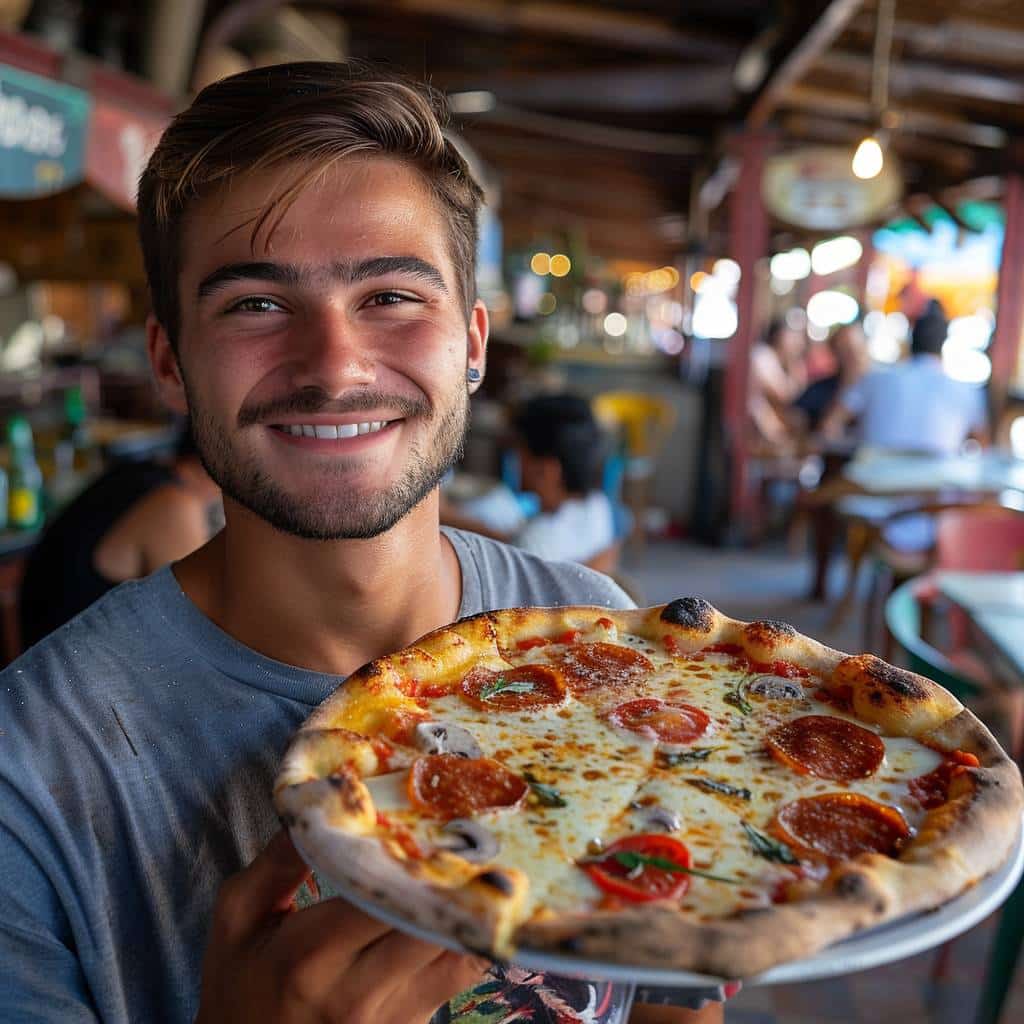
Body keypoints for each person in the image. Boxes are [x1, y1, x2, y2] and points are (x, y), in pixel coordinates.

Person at [0, 61, 726, 1024]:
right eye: (255, 304)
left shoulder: (597, 632)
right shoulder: (28, 775)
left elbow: (673, 993)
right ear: (170, 361)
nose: (335, 367)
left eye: (390, 296)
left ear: (471, 344)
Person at [17, 425, 221, 650]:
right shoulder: (173, 504)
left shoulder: (132, 477)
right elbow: (201, 631)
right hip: (75, 675)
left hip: (49, 663)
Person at [822, 306, 989, 452]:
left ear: (911, 343)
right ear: (944, 347)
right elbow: (983, 445)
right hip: (935, 484)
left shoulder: (875, 378)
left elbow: (829, 427)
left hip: (872, 480)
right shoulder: (966, 391)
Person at [791, 321, 869, 436]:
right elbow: (796, 417)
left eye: (856, 350)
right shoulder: (819, 389)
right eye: (846, 350)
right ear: (835, 352)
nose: (852, 357)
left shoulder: (879, 388)